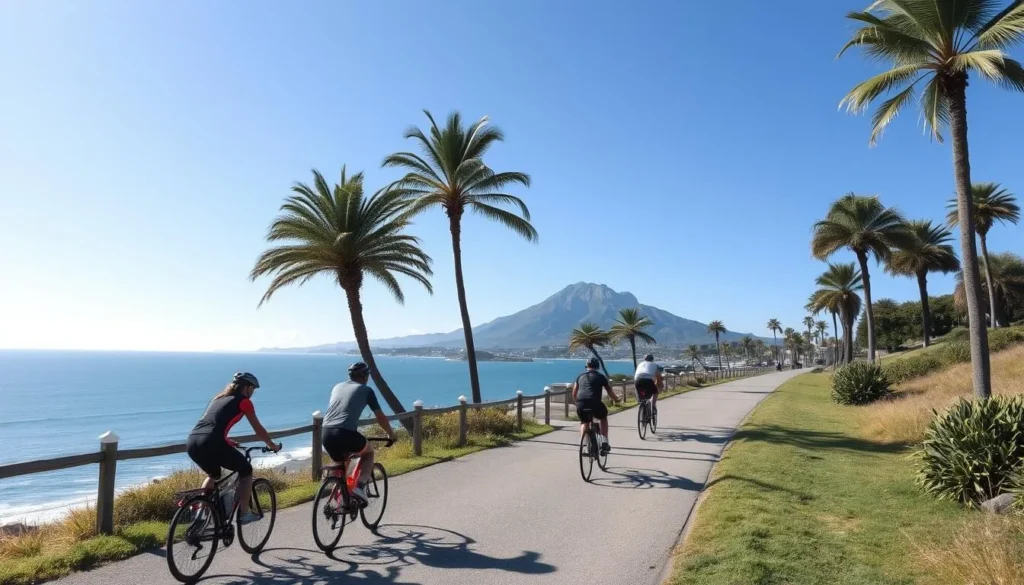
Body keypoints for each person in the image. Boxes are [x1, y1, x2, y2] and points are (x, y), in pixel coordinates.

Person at [186, 372, 281, 524]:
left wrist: (227, 441)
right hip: (212, 442)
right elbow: (258, 429)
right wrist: (272, 445)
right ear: (247, 388)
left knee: (214, 475)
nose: (252, 393)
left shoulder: (218, 399)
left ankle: (199, 511)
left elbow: (211, 425)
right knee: (246, 470)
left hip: (193, 441)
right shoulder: (244, 402)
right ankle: (244, 513)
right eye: (253, 389)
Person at [322, 362, 397, 504]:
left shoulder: (337, 386)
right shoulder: (366, 390)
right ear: (364, 376)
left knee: (342, 466)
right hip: (345, 433)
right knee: (368, 453)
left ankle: (340, 502)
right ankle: (360, 486)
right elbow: (380, 417)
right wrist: (391, 434)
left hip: (326, 433)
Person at [572, 357, 620, 454]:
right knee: (603, 418)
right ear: (597, 367)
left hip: (581, 403)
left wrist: (577, 403)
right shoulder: (601, 377)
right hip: (595, 403)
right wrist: (616, 399)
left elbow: (574, 393)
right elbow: (610, 391)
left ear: (587, 367)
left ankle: (584, 445)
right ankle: (604, 442)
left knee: (584, 422)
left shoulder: (580, 376)